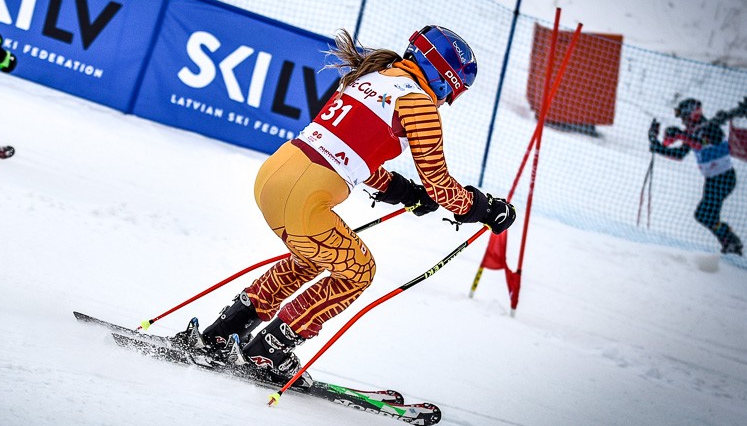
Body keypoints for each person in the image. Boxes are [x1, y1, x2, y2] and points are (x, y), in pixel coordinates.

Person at [176, 26, 517, 386]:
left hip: (273, 176)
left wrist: (403, 191)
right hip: (304, 197)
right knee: (358, 272)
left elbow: (348, 152)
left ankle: (221, 334)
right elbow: (440, 185)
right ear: (445, 79)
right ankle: (268, 352)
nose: (447, 100)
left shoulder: (371, 77)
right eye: (453, 91)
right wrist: (483, 209)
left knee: (310, 260)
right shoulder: (419, 105)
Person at [648, 96, 747, 255]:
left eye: (684, 117)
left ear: (693, 114)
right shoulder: (693, 132)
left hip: (723, 179)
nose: (683, 122)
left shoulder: (711, 127)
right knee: (704, 215)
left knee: (704, 214)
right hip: (712, 180)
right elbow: (680, 154)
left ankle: (731, 241)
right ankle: (730, 241)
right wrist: (656, 145)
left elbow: (700, 143)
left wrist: (680, 135)